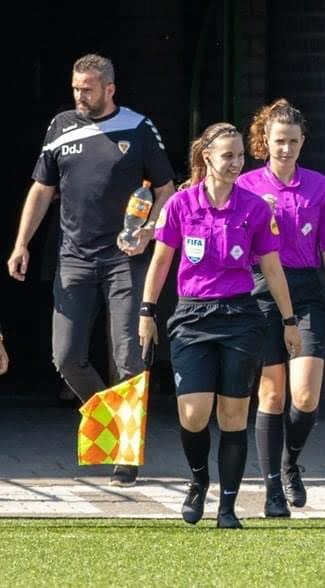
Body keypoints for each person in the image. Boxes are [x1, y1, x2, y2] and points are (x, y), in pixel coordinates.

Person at [6, 54, 175, 487]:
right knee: (65, 357)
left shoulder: (138, 127)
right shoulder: (61, 127)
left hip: (126, 259)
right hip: (73, 258)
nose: (80, 95)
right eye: (76, 88)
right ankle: (114, 422)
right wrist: (22, 243)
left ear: (110, 89)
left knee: (127, 356)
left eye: (88, 89)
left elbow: (166, 191)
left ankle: (127, 451)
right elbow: (42, 190)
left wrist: (148, 232)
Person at [138, 123, 301, 529]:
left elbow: (273, 270)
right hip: (192, 316)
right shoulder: (179, 205)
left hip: (240, 317)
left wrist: (289, 320)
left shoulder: (255, 208)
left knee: (232, 417)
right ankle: (198, 481)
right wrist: (146, 311)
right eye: (227, 156)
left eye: (240, 156)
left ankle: (227, 507)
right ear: (206, 157)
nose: (235, 163)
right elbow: (161, 261)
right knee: (193, 414)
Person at [237, 99, 325, 518]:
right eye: (278, 141)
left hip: (306, 290)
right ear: (265, 141)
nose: (285, 149)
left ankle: (290, 463)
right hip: (262, 289)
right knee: (272, 392)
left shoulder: (320, 187)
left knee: (304, 394)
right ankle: (270, 491)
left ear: (303, 143)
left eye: (293, 142)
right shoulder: (246, 186)